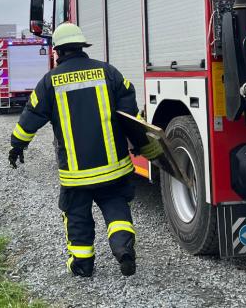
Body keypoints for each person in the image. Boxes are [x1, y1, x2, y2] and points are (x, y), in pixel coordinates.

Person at [8, 23, 162, 278]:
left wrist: (17, 145)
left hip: (75, 174)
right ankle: (122, 247)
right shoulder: (109, 73)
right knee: (116, 207)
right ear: (82, 47)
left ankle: (82, 264)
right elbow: (131, 119)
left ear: (57, 51)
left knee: (77, 215)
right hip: (113, 167)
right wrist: (146, 147)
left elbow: (31, 116)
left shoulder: (49, 82)